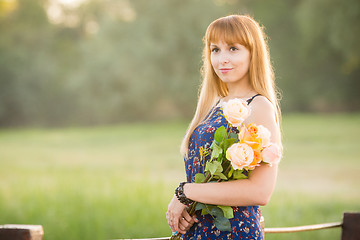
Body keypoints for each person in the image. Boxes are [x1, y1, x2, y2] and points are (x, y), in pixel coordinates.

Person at [166, 14, 282, 239]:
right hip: (199, 232)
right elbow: (208, 179)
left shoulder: (257, 106)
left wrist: (185, 192)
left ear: (253, 53)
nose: (222, 59)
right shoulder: (214, 104)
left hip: (234, 233)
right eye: (215, 50)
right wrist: (190, 205)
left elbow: (260, 191)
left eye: (233, 48)